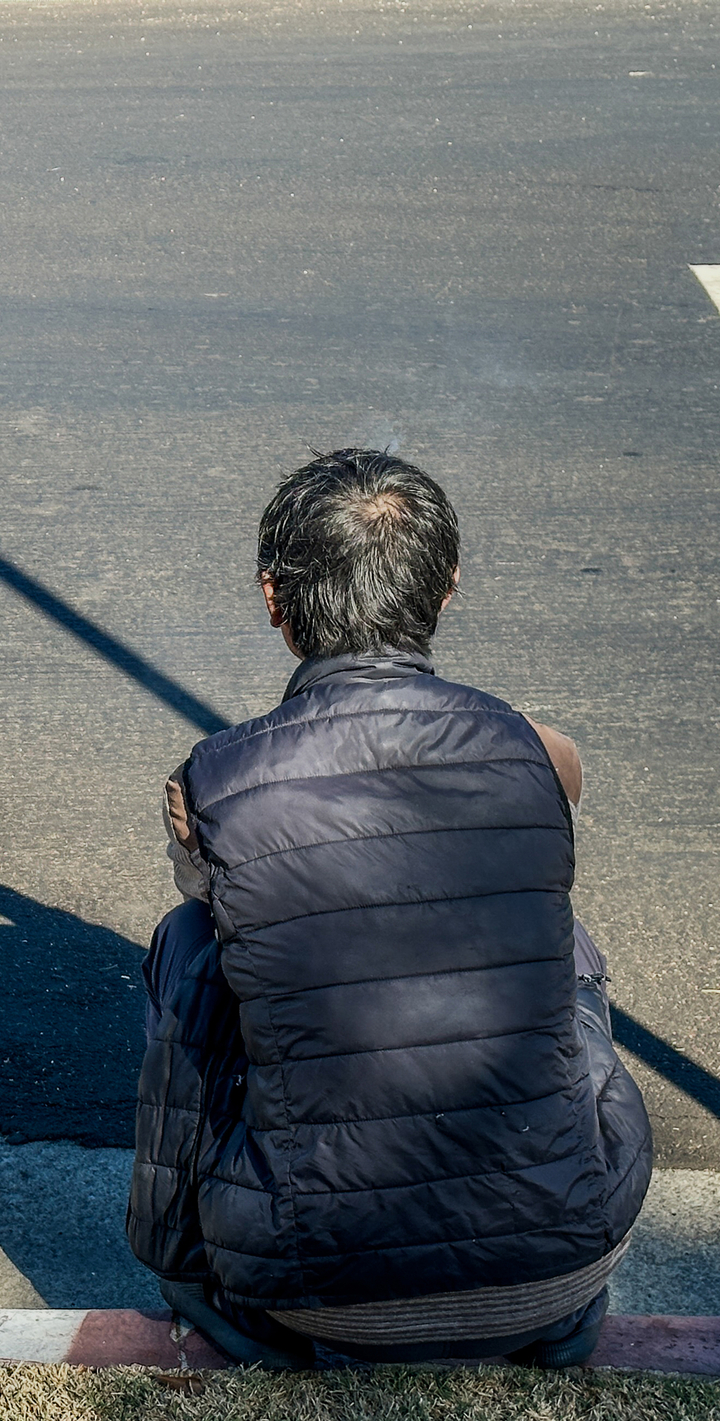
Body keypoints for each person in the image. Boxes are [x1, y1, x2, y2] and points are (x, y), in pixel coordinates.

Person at [126, 449, 652, 1370]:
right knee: (555, 940)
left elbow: (236, 976)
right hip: (560, 1268)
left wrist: (177, 1260)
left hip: (313, 1291)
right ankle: (537, 1292)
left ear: (274, 601)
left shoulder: (209, 785)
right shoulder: (540, 753)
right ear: (447, 589)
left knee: (196, 947)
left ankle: (193, 1264)